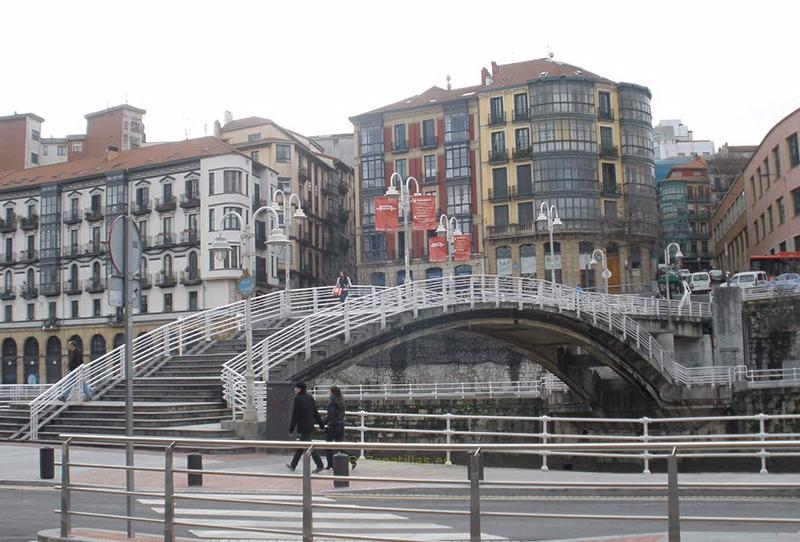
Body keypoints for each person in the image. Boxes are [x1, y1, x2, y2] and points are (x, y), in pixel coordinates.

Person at [286, 382, 325, 473]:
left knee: (308, 446)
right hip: (309, 425)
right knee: (302, 445)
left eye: (296, 388)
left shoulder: (298, 399)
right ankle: (293, 465)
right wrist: (321, 425)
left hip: (303, 426)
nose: (294, 390)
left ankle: (320, 465)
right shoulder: (310, 398)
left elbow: (295, 415)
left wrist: (291, 429)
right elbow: (316, 413)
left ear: (299, 389)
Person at [323, 386, 357, 470]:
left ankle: (330, 464)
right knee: (339, 446)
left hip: (333, 426)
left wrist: (322, 423)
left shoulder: (331, 402)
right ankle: (352, 458)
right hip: (341, 425)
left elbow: (330, 415)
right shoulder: (341, 401)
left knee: (328, 445)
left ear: (332, 392)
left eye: (329, 391)